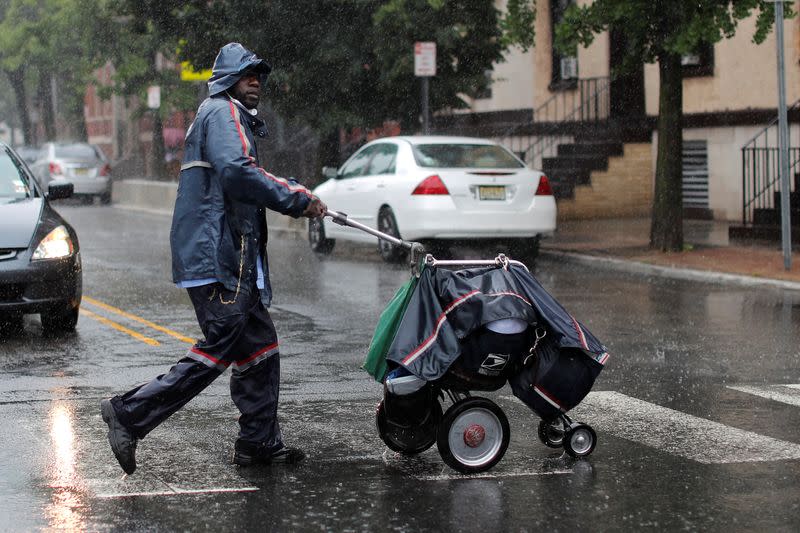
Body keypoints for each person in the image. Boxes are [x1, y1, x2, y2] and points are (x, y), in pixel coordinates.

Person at [101, 43, 327, 475]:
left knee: (261, 350)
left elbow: (241, 174)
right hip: (219, 256)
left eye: (259, 74)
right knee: (220, 346)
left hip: (227, 254)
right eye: (247, 75)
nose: (256, 80)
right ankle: (128, 414)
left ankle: (258, 443)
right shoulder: (222, 112)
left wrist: (296, 193)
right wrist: (297, 199)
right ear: (227, 80)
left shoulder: (226, 116)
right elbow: (238, 172)